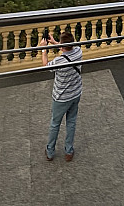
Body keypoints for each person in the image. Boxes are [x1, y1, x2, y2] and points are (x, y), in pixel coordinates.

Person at [41, 30, 82, 162]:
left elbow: (45, 66)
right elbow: (68, 48)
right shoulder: (78, 51)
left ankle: (50, 151)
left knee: (55, 124)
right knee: (71, 122)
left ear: (63, 46)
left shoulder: (59, 61)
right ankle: (69, 151)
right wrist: (54, 42)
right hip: (76, 93)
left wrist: (44, 49)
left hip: (61, 97)